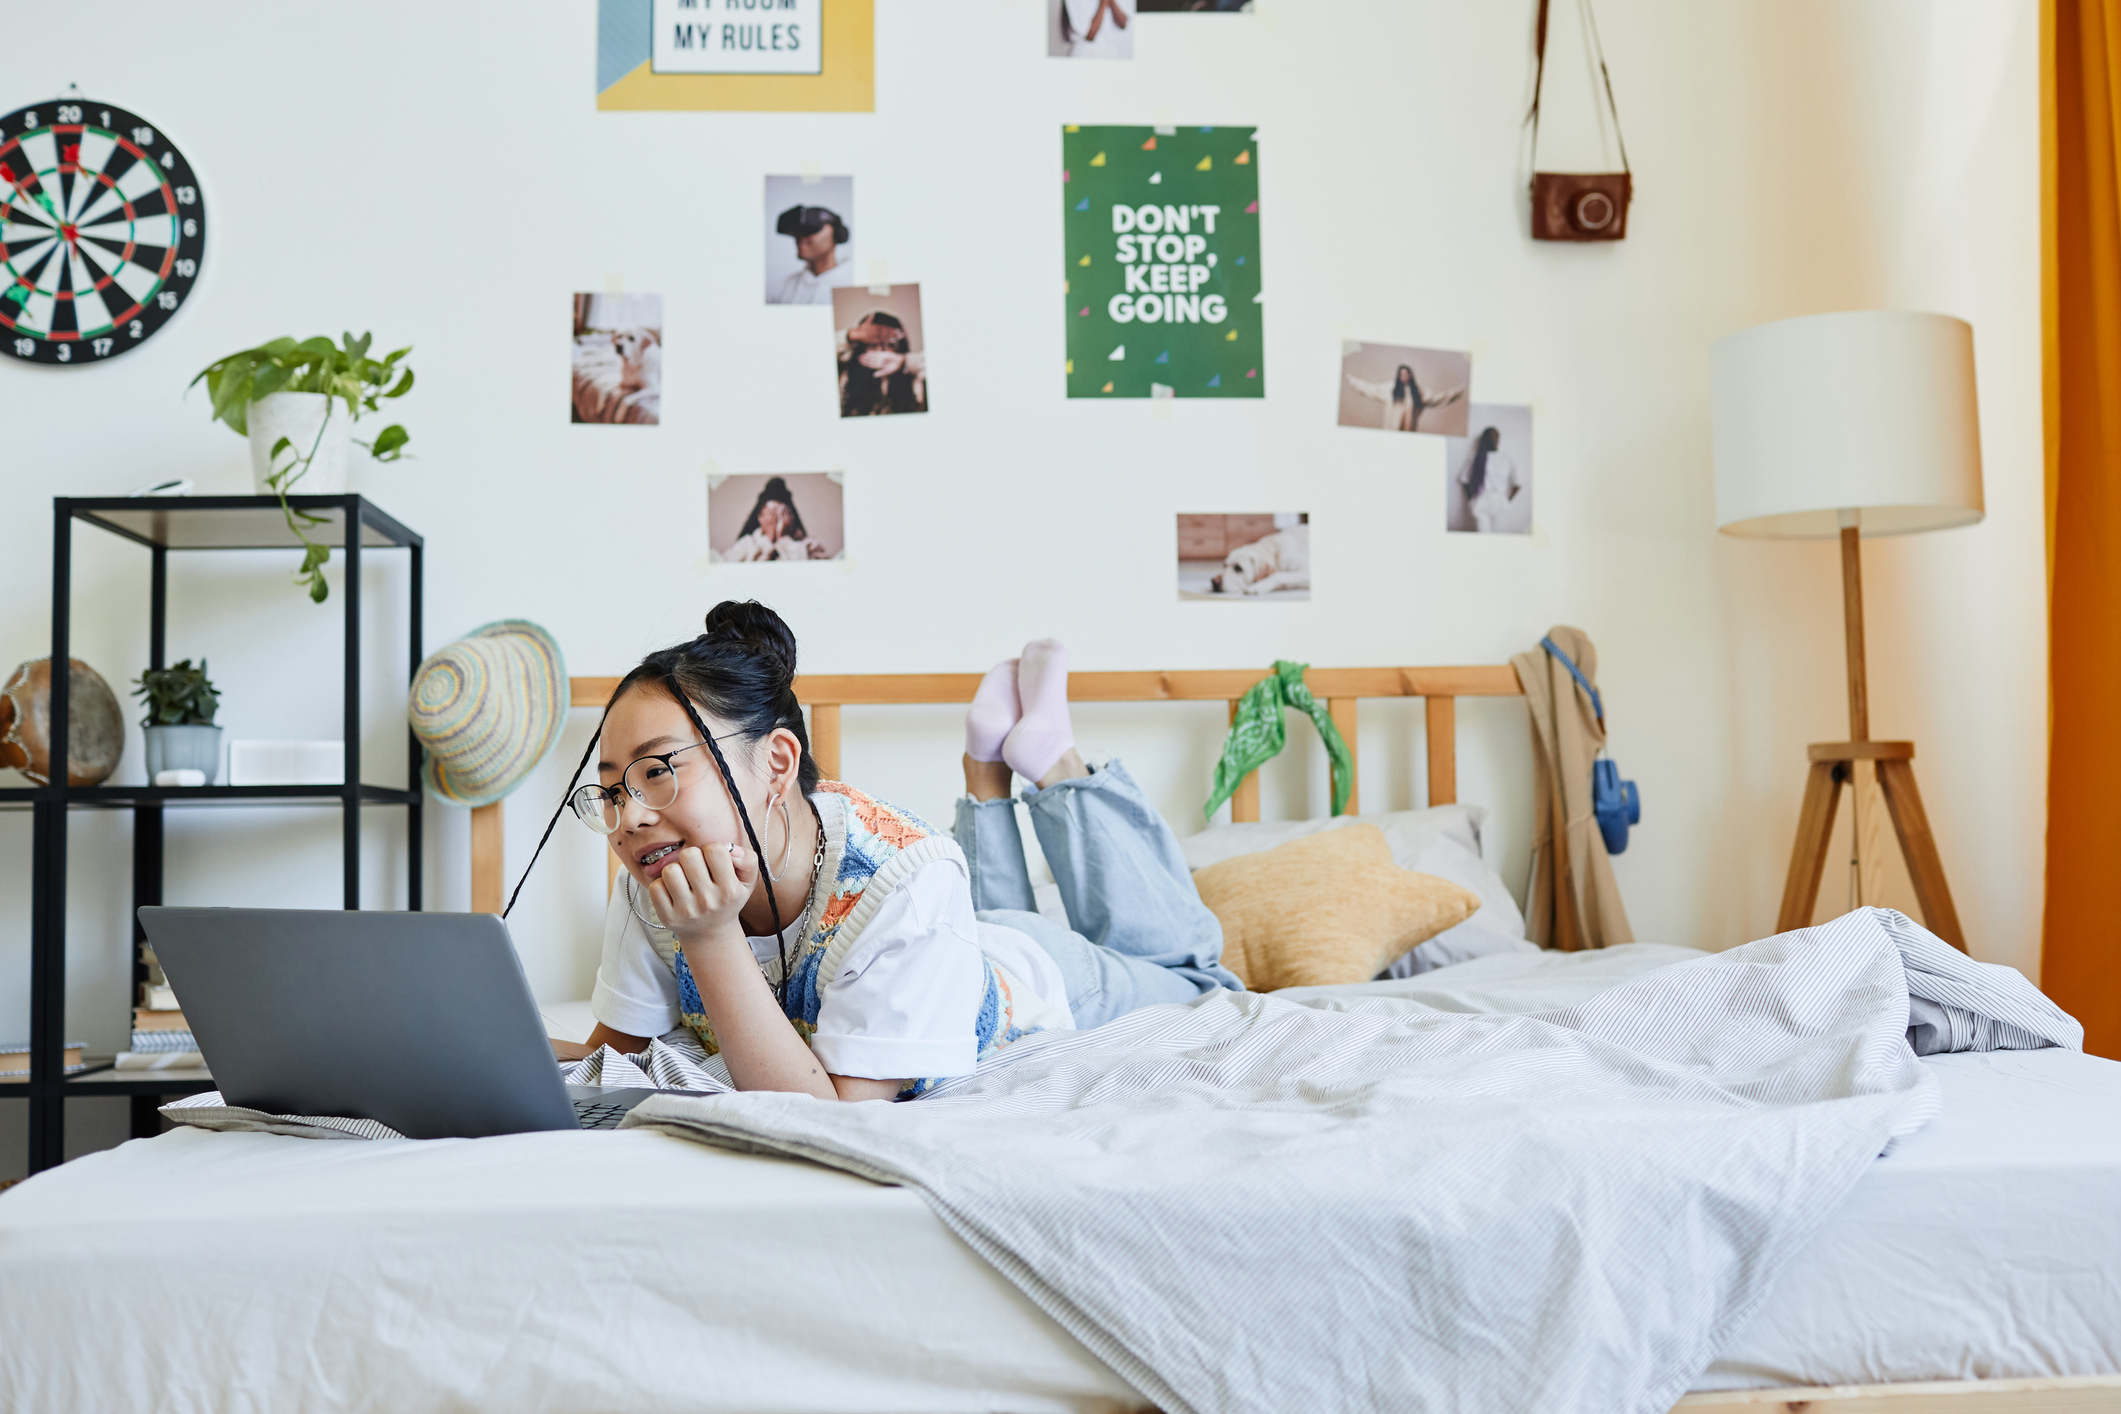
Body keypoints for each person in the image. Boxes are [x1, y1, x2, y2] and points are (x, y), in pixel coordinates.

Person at [528, 605, 1240, 1102]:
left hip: (1037, 976)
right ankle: (989, 771)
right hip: (941, 947)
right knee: (971, 908)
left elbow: (831, 1115)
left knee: (1200, 976)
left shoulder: (906, 877)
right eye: (612, 791)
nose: (629, 816)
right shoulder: (658, 873)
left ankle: (1053, 759)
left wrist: (710, 939)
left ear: (777, 764)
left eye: (658, 770)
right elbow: (613, 1059)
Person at [837, 310, 927, 416]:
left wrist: (904, 361)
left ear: (899, 347)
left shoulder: (916, 381)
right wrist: (853, 334)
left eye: (889, 345)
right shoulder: (845, 378)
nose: (880, 352)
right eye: (872, 345)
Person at [722, 477, 833, 561]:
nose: (778, 519)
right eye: (773, 514)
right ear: (760, 517)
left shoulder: (811, 546)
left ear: (792, 517)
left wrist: (784, 540)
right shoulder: (744, 545)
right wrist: (769, 540)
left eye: (784, 513)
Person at [770, 204, 854, 306]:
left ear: (836, 235)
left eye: (811, 229)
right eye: (798, 232)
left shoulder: (852, 284)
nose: (801, 238)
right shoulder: (786, 286)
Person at [1345, 362, 1464, 432]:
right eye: (1401, 373)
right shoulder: (1390, 388)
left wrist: (1457, 391)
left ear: (1411, 375)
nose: (1404, 376)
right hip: (1391, 432)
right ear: (1398, 375)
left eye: (1406, 373)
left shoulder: (1418, 391)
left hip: (1410, 432)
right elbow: (1371, 388)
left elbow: (1437, 397)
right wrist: (1353, 381)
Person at [1455, 425, 1523, 533]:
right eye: (1490, 437)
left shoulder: (1506, 458)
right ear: (1485, 439)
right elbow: (1464, 480)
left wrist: (1507, 501)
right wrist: (1471, 500)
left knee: (1499, 537)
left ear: (1499, 439)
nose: (1493, 440)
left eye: (1496, 436)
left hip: (1500, 502)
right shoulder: (1476, 457)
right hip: (1482, 501)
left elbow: (1517, 483)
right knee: (1483, 536)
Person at [1058, 0, 1131, 57]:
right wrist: (1103, 2)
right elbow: (1089, 35)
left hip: (1110, 53)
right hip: (1087, 54)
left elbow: (1123, 24)